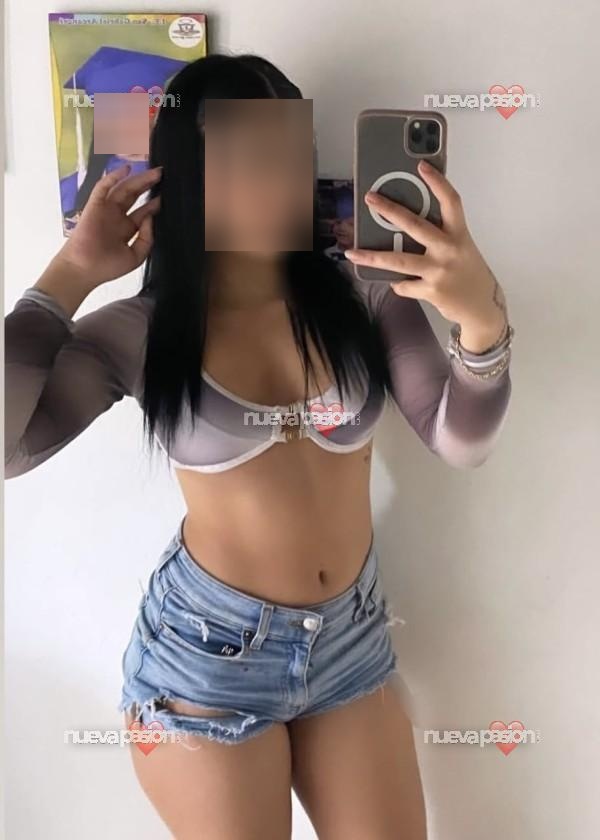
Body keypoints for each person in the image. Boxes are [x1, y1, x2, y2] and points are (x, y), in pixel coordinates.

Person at [5, 53, 513, 840]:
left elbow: (459, 439)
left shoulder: (362, 288)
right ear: (187, 174)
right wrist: (70, 274)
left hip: (351, 641)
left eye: (289, 151)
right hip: (207, 660)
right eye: (244, 156)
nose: (276, 178)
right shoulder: (143, 333)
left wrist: (480, 320)